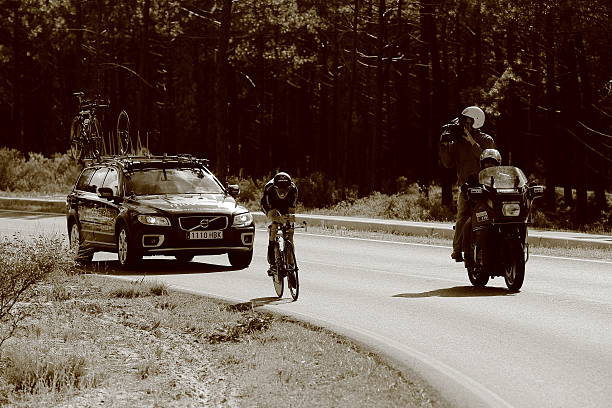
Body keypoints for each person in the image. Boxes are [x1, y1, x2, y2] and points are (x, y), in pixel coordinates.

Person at [439, 106, 495, 262]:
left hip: (486, 186)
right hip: (466, 186)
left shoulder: (486, 140)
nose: (463, 124)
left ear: (476, 122)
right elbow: (448, 164)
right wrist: (444, 146)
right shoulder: (457, 142)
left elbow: (487, 158)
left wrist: (472, 142)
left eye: (467, 122)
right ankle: (457, 250)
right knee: (462, 215)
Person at [460, 148, 502, 265]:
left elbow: (516, 182)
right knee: (468, 225)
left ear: (498, 164)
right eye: (487, 162)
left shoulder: (503, 177)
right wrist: (467, 187)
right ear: (482, 163)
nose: (490, 164)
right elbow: (467, 185)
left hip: (500, 210)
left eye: (493, 162)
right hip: (481, 208)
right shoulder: (476, 176)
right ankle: (467, 255)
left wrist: (525, 187)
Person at [260, 172, 298, 276]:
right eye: (280, 190)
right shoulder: (269, 188)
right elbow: (269, 209)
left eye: (285, 190)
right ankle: (272, 260)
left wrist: (289, 224)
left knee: (290, 233)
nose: (282, 193)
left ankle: (290, 261)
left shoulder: (293, 189)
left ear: (289, 188)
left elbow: (292, 210)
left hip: (285, 205)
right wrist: (275, 219)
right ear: (275, 187)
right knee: (274, 226)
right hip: (270, 204)